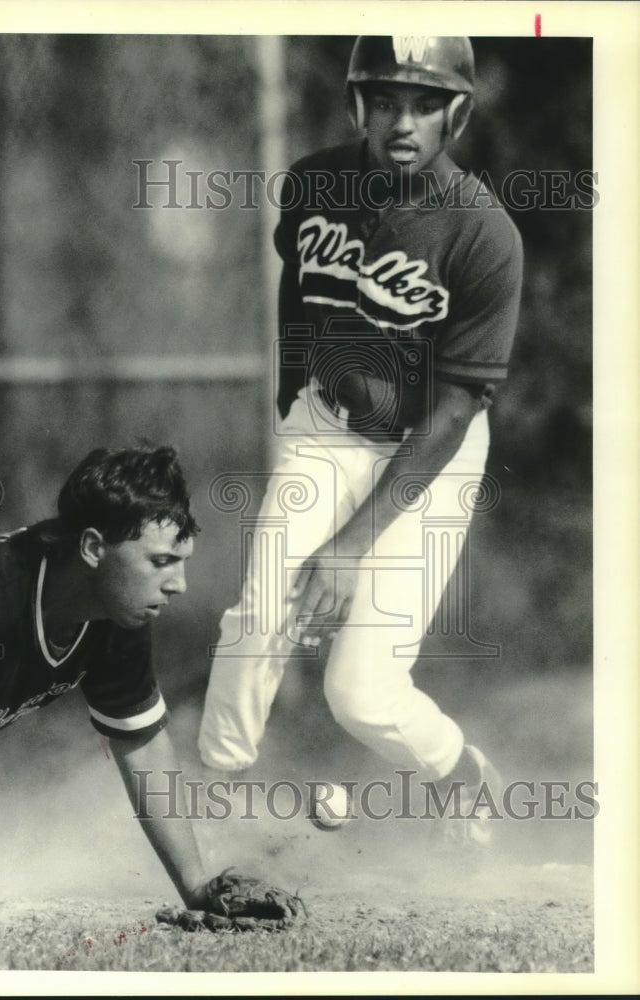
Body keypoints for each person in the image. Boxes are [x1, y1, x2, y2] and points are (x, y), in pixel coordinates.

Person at [198, 36, 523, 839]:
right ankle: (208, 799)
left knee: (361, 693)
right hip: (328, 423)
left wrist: (348, 547)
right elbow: (297, 290)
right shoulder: (313, 182)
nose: (399, 120)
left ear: (457, 112)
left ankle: (461, 772)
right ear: (356, 105)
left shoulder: (484, 236)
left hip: (430, 453)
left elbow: (454, 409)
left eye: (421, 102)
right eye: (383, 99)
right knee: (260, 613)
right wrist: (292, 406)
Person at [0, 445, 213, 919]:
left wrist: (199, 888)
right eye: (160, 561)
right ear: (93, 548)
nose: (179, 583)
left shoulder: (115, 614)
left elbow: (144, 746)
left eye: (182, 560)